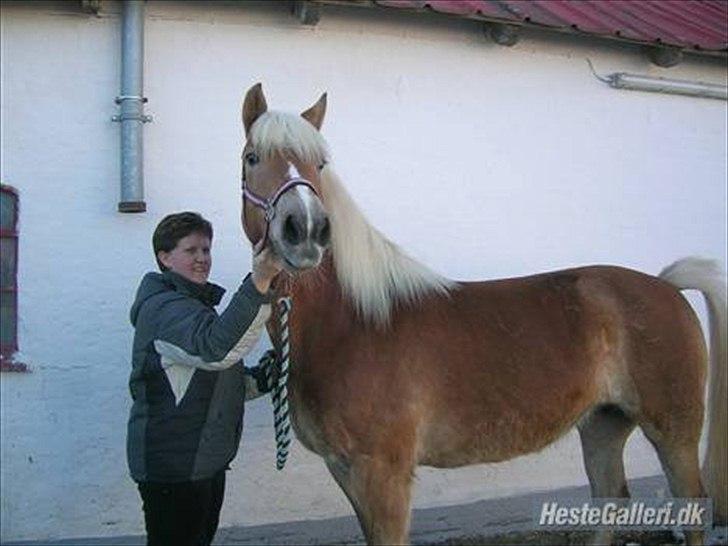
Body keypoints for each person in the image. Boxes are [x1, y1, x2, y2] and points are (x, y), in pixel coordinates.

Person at [126, 211, 282, 546]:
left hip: (201, 464)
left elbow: (210, 385)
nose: (202, 259)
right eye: (191, 250)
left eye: (206, 250)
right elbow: (215, 351)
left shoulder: (191, 307)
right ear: (164, 258)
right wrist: (258, 283)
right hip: (175, 471)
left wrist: (263, 379)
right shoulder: (165, 311)